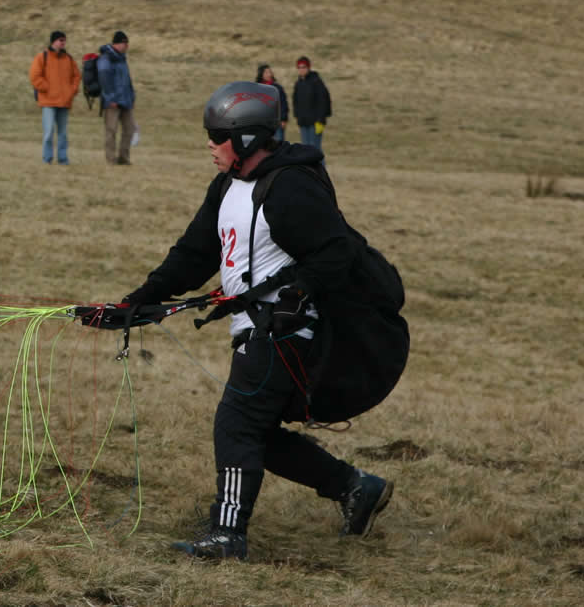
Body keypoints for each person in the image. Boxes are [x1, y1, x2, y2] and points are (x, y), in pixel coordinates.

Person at [78, 81, 392, 560]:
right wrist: (136, 302)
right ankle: (355, 487)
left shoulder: (289, 186)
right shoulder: (228, 185)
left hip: (286, 332)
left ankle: (227, 535)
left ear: (246, 139)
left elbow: (337, 251)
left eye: (217, 136)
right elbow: (194, 254)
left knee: (237, 424)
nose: (209, 144)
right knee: (257, 432)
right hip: (256, 328)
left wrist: (298, 293)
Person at [29, 30, 80, 165]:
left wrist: (72, 91)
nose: (63, 42)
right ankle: (47, 158)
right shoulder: (42, 57)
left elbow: (76, 76)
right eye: (60, 40)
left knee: (63, 133)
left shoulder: (69, 59)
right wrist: (47, 88)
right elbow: (35, 76)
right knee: (49, 132)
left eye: (64, 40)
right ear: (54, 41)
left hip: (64, 101)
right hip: (48, 101)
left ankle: (63, 159)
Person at [96, 31, 137, 165]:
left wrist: (131, 97)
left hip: (125, 100)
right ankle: (111, 159)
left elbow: (127, 80)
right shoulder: (105, 58)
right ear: (116, 43)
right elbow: (104, 79)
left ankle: (124, 158)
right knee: (111, 131)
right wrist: (110, 98)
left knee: (130, 129)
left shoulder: (122, 58)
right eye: (124, 43)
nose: (126, 46)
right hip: (112, 103)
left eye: (127, 43)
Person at [292, 57, 332, 152]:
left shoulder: (316, 82)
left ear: (308, 67)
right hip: (303, 121)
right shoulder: (298, 83)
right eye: (299, 67)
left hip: (316, 122)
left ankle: (319, 163)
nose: (301, 69)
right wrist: (297, 115)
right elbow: (295, 101)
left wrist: (321, 118)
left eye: (304, 67)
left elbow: (323, 100)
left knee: (315, 149)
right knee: (305, 148)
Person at [255, 64, 289, 142]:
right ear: (261, 74)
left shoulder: (277, 88)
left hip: (276, 122)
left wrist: (283, 119)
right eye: (266, 72)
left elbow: (283, 104)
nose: (269, 74)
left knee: (278, 143)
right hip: (261, 123)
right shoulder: (256, 88)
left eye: (270, 72)